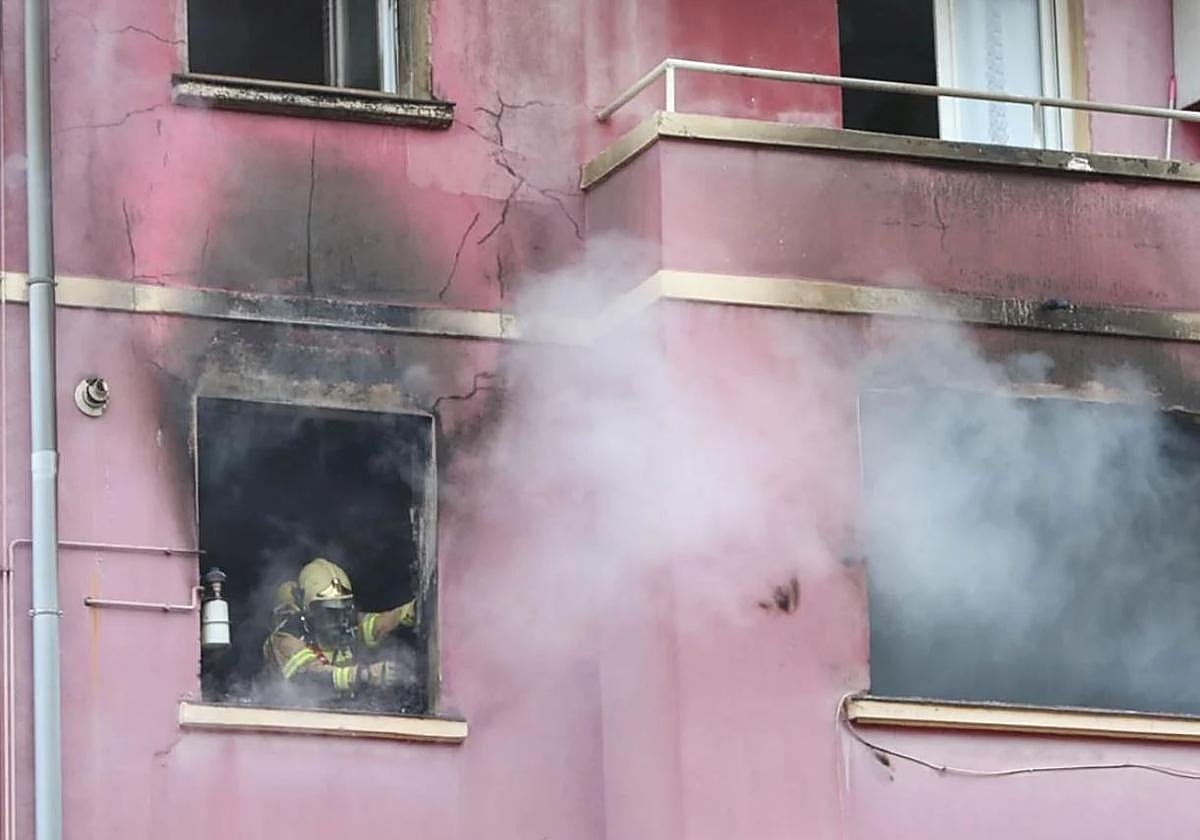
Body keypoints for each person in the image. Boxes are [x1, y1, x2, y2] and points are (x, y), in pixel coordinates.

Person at [261, 557, 417, 704]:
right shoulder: (286, 638)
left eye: (345, 610)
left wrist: (412, 611)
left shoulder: (347, 623)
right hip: (295, 720)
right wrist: (365, 675)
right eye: (330, 613)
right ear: (309, 612)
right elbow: (308, 677)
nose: (341, 620)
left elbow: (378, 624)